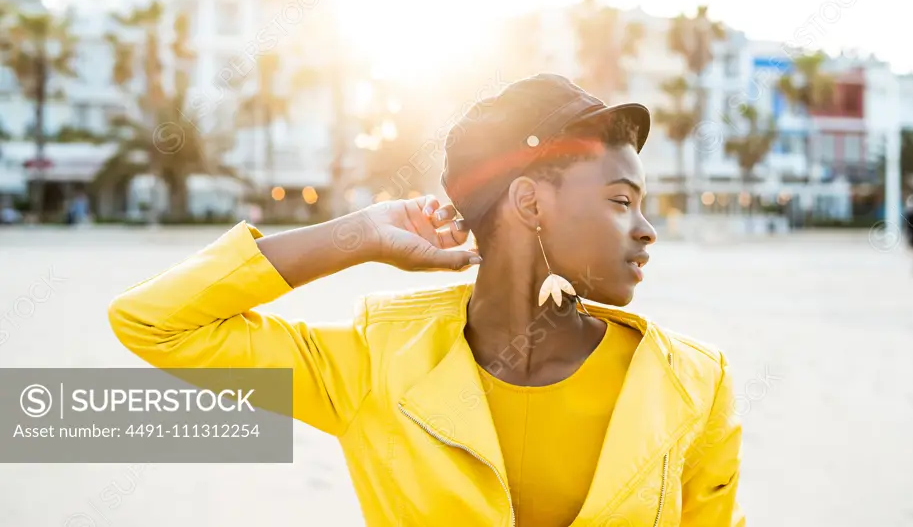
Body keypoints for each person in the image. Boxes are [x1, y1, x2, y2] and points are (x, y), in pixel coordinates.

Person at [108, 73, 745, 526]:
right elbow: (156, 323)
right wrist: (356, 235)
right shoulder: (372, 365)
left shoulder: (691, 383)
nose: (646, 228)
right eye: (619, 201)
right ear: (529, 203)